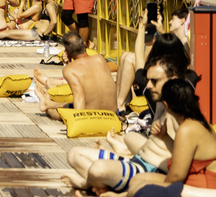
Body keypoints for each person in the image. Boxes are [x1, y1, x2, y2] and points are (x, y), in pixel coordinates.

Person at [63, 56, 186, 193]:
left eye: (154, 81)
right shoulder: (161, 103)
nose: (148, 85)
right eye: (148, 80)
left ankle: (86, 183)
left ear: (173, 80)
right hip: (136, 159)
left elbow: (179, 165)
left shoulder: (178, 111)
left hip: (146, 171)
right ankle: (104, 183)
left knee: (98, 169)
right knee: (74, 154)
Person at [129, 80, 216, 191]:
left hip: (207, 187)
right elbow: (188, 156)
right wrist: (164, 137)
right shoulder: (195, 121)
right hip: (205, 181)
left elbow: (176, 176)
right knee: (137, 181)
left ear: (166, 105)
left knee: (139, 186)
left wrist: (158, 191)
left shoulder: (187, 129)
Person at [33, 32, 118, 121]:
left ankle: (47, 106)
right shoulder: (100, 59)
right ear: (85, 45)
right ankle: (47, 103)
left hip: (91, 116)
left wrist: (78, 121)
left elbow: (79, 96)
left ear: (66, 53)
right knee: (72, 105)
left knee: (57, 112)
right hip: (112, 113)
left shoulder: (69, 70)